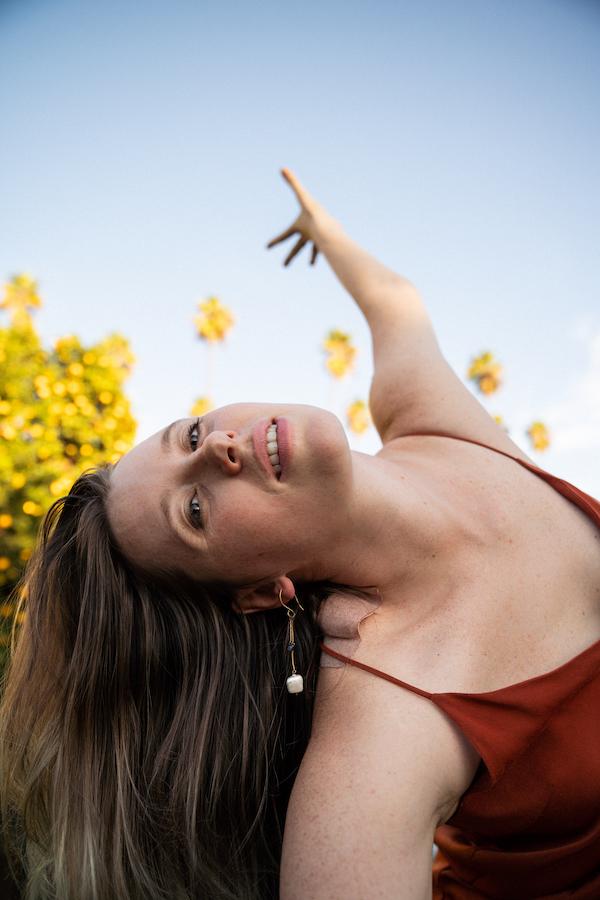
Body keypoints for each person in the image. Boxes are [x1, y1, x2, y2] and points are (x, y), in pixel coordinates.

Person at [1, 169, 599, 900]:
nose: (216, 448)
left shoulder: (431, 419)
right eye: (194, 511)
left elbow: (394, 301)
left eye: (188, 433)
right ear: (259, 592)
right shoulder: (384, 726)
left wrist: (325, 232)